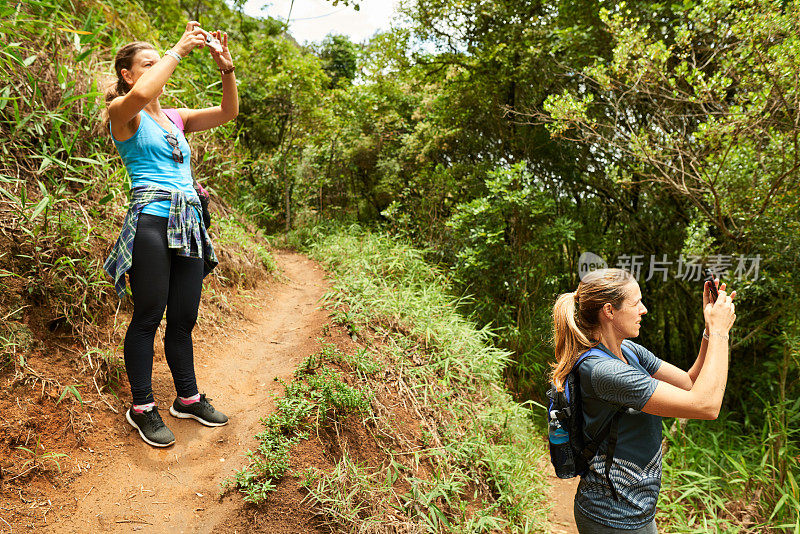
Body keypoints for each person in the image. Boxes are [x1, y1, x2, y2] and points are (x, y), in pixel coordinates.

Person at [102, 22, 238, 447]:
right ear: (127, 74)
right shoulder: (123, 113)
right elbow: (143, 95)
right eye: (149, 62)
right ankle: (141, 406)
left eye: (158, 61)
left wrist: (227, 70)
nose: (158, 66)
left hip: (189, 222)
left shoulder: (176, 118)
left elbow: (228, 113)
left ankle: (187, 397)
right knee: (149, 314)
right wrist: (178, 49)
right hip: (151, 221)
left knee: (183, 316)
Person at [551, 268, 736, 533]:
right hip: (611, 517)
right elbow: (706, 405)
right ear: (609, 311)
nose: (644, 309)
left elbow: (690, 383)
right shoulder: (603, 371)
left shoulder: (627, 350)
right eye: (636, 302)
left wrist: (709, 330)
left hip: (639, 511)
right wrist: (721, 333)